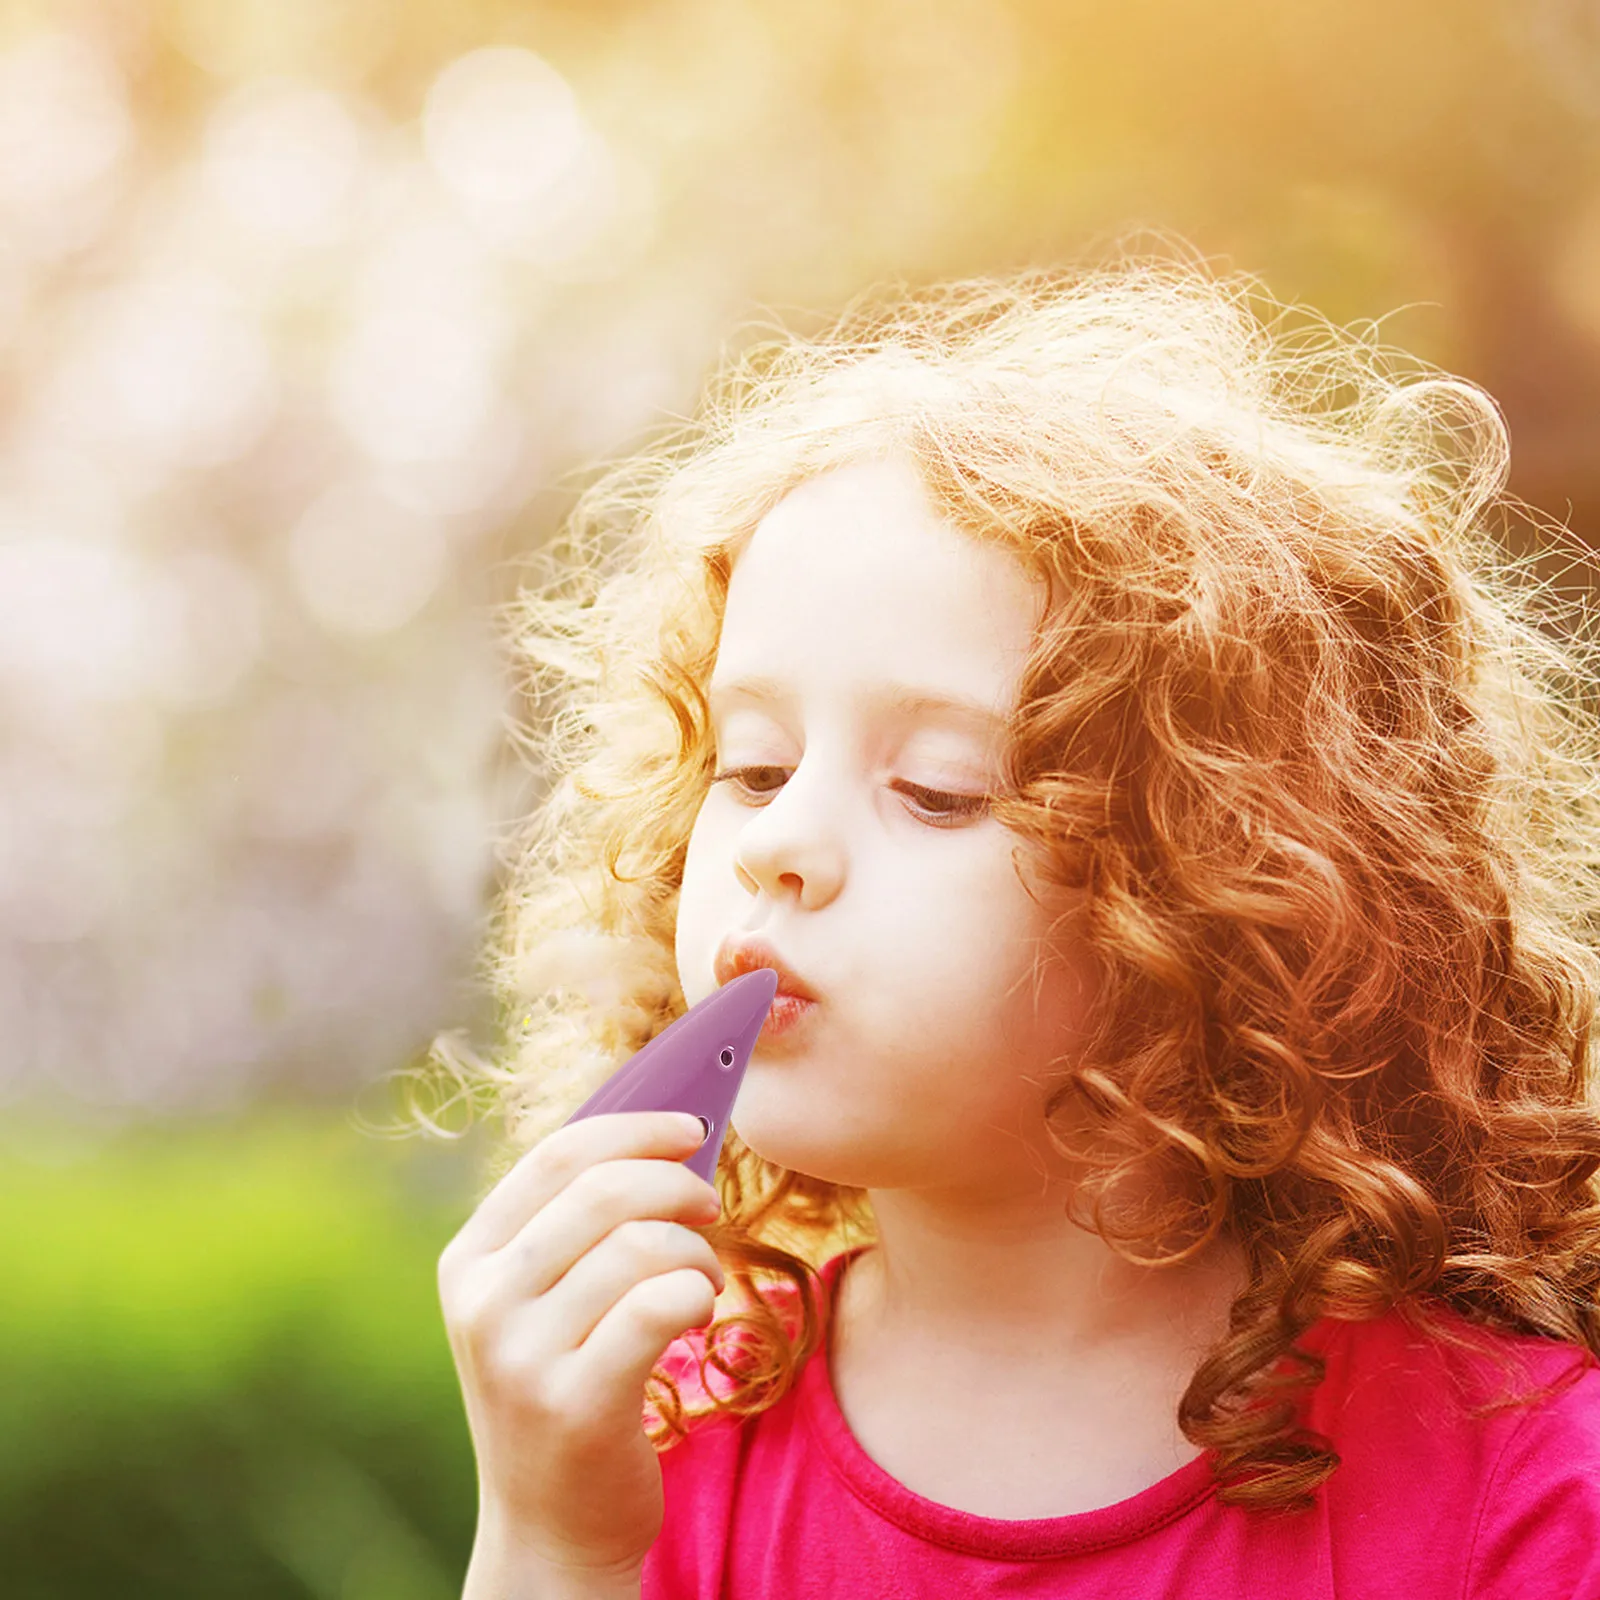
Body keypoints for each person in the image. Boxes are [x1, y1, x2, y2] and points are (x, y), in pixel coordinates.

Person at [432, 259, 1600, 1599]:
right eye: (751, 767)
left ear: (1232, 891)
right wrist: (550, 1543)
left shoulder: (1521, 1488)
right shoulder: (663, 1434)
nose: (777, 845)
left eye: (936, 790)